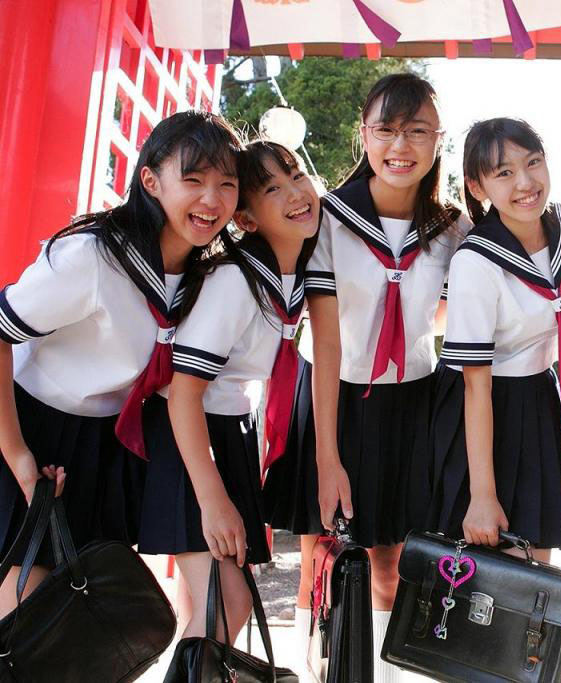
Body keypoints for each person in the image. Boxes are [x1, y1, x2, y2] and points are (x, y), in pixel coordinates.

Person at [261, 73, 468, 682]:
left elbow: (455, 315)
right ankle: (313, 671)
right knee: (320, 555)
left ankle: (389, 674)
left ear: (438, 140)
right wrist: (327, 457)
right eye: (386, 130)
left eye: (417, 131)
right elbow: (326, 341)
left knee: (394, 559)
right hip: (335, 394)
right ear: (364, 135)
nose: (400, 146)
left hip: (413, 401)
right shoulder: (328, 218)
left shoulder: (452, 229)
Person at [0, 111, 243, 617]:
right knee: (25, 615)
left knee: (80, 623)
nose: (212, 200)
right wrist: (18, 455)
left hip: (106, 444)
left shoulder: (205, 276)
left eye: (227, 184)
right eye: (193, 180)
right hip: (27, 426)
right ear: (150, 181)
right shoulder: (92, 258)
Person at [137, 139, 318, 644]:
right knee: (227, 604)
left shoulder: (294, 274)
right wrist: (213, 497)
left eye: (296, 176)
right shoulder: (235, 280)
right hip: (189, 436)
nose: (295, 193)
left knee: (213, 606)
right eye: (272, 189)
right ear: (246, 219)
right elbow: (183, 391)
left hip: (231, 430)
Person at [430, 117, 561, 562]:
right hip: (481, 408)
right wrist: (483, 495)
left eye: (533, 162)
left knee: (536, 564)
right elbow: (474, 384)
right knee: (488, 564)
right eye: (504, 172)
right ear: (477, 187)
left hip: (537, 396)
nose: (525, 182)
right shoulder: (476, 261)